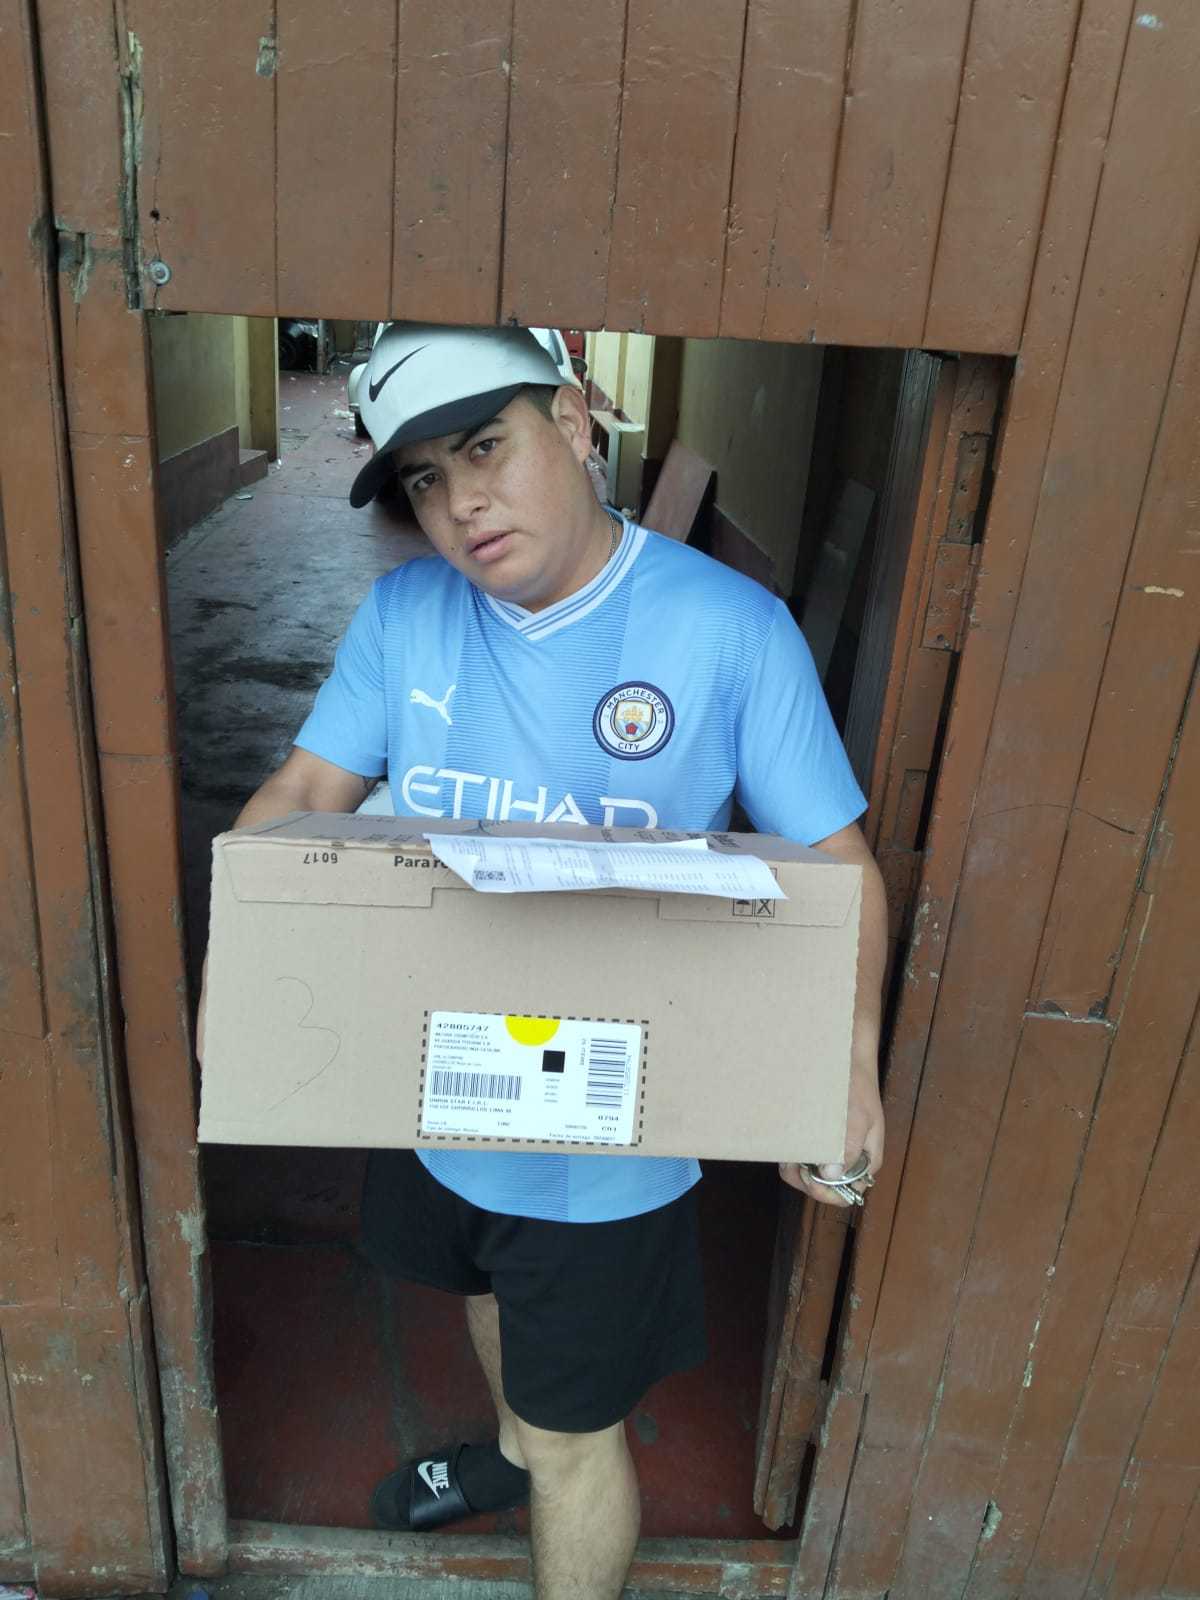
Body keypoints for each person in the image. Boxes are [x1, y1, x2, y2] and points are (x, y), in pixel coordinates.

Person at [204, 321, 887, 1599]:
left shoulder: (728, 632)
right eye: (424, 477)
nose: (460, 503)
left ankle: (548, 1460)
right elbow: (304, 788)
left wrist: (844, 1064)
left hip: (608, 1135)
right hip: (441, 1085)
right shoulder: (406, 613)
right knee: (477, 1287)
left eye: (485, 447)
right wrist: (247, 960)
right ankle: (511, 1451)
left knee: (584, 1438)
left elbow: (837, 865)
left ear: (573, 422)